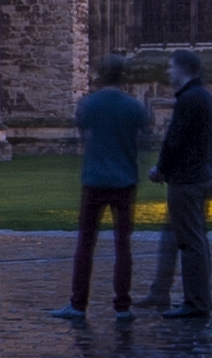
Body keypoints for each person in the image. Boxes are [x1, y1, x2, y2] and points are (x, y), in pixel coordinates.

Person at [63, 57, 154, 315]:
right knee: (122, 245)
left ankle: (78, 303)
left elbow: (83, 137)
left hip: (94, 180)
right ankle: (122, 304)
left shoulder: (88, 105)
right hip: (125, 181)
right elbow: (144, 143)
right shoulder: (134, 107)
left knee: (85, 243)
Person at [150, 51, 212, 319]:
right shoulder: (201, 96)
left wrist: (161, 169)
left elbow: (175, 140)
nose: (168, 72)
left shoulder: (190, 98)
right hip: (197, 176)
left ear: (183, 68)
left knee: (190, 242)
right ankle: (194, 299)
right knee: (193, 240)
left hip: (187, 179)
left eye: (171, 67)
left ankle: (196, 302)